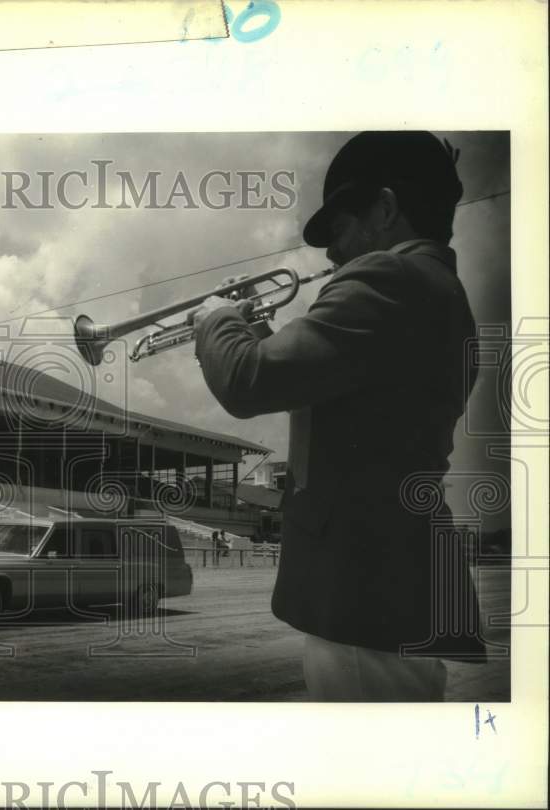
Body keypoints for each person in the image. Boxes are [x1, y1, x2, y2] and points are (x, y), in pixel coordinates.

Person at [191, 131, 484, 701]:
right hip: (386, 579)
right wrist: (252, 330)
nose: (330, 253)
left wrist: (213, 320)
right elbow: (328, 386)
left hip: (363, 584)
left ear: (385, 208)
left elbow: (248, 383)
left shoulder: (389, 278)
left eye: (339, 227)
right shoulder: (432, 287)